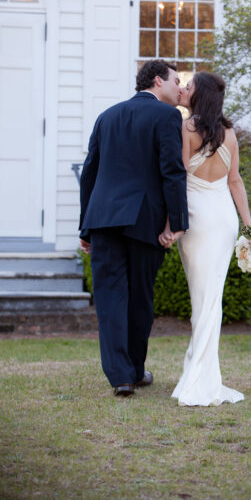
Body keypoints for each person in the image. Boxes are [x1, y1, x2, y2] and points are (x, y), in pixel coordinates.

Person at [79, 60, 188, 397]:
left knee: (110, 299)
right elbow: (172, 171)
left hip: (103, 218)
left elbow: (90, 172)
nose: (179, 87)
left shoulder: (107, 116)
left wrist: (85, 226)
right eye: (176, 81)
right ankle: (135, 370)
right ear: (157, 80)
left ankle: (121, 377)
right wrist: (178, 223)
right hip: (144, 219)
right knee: (140, 297)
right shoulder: (167, 117)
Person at [160, 71, 251, 407]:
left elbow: (176, 178)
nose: (184, 89)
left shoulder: (187, 128)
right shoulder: (230, 133)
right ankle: (199, 374)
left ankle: (200, 382)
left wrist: (169, 224)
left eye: (189, 87)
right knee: (209, 299)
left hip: (198, 219)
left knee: (203, 301)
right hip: (224, 220)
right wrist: (248, 227)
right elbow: (236, 182)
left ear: (199, 94)